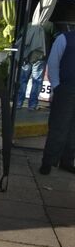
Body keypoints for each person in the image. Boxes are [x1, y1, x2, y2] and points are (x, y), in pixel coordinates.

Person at [39, 30, 75, 175]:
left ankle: (67, 161)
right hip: (66, 88)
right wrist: (57, 86)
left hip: (65, 88)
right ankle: (48, 162)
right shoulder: (64, 38)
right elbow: (53, 63)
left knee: (74, 129)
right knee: (58, 126)